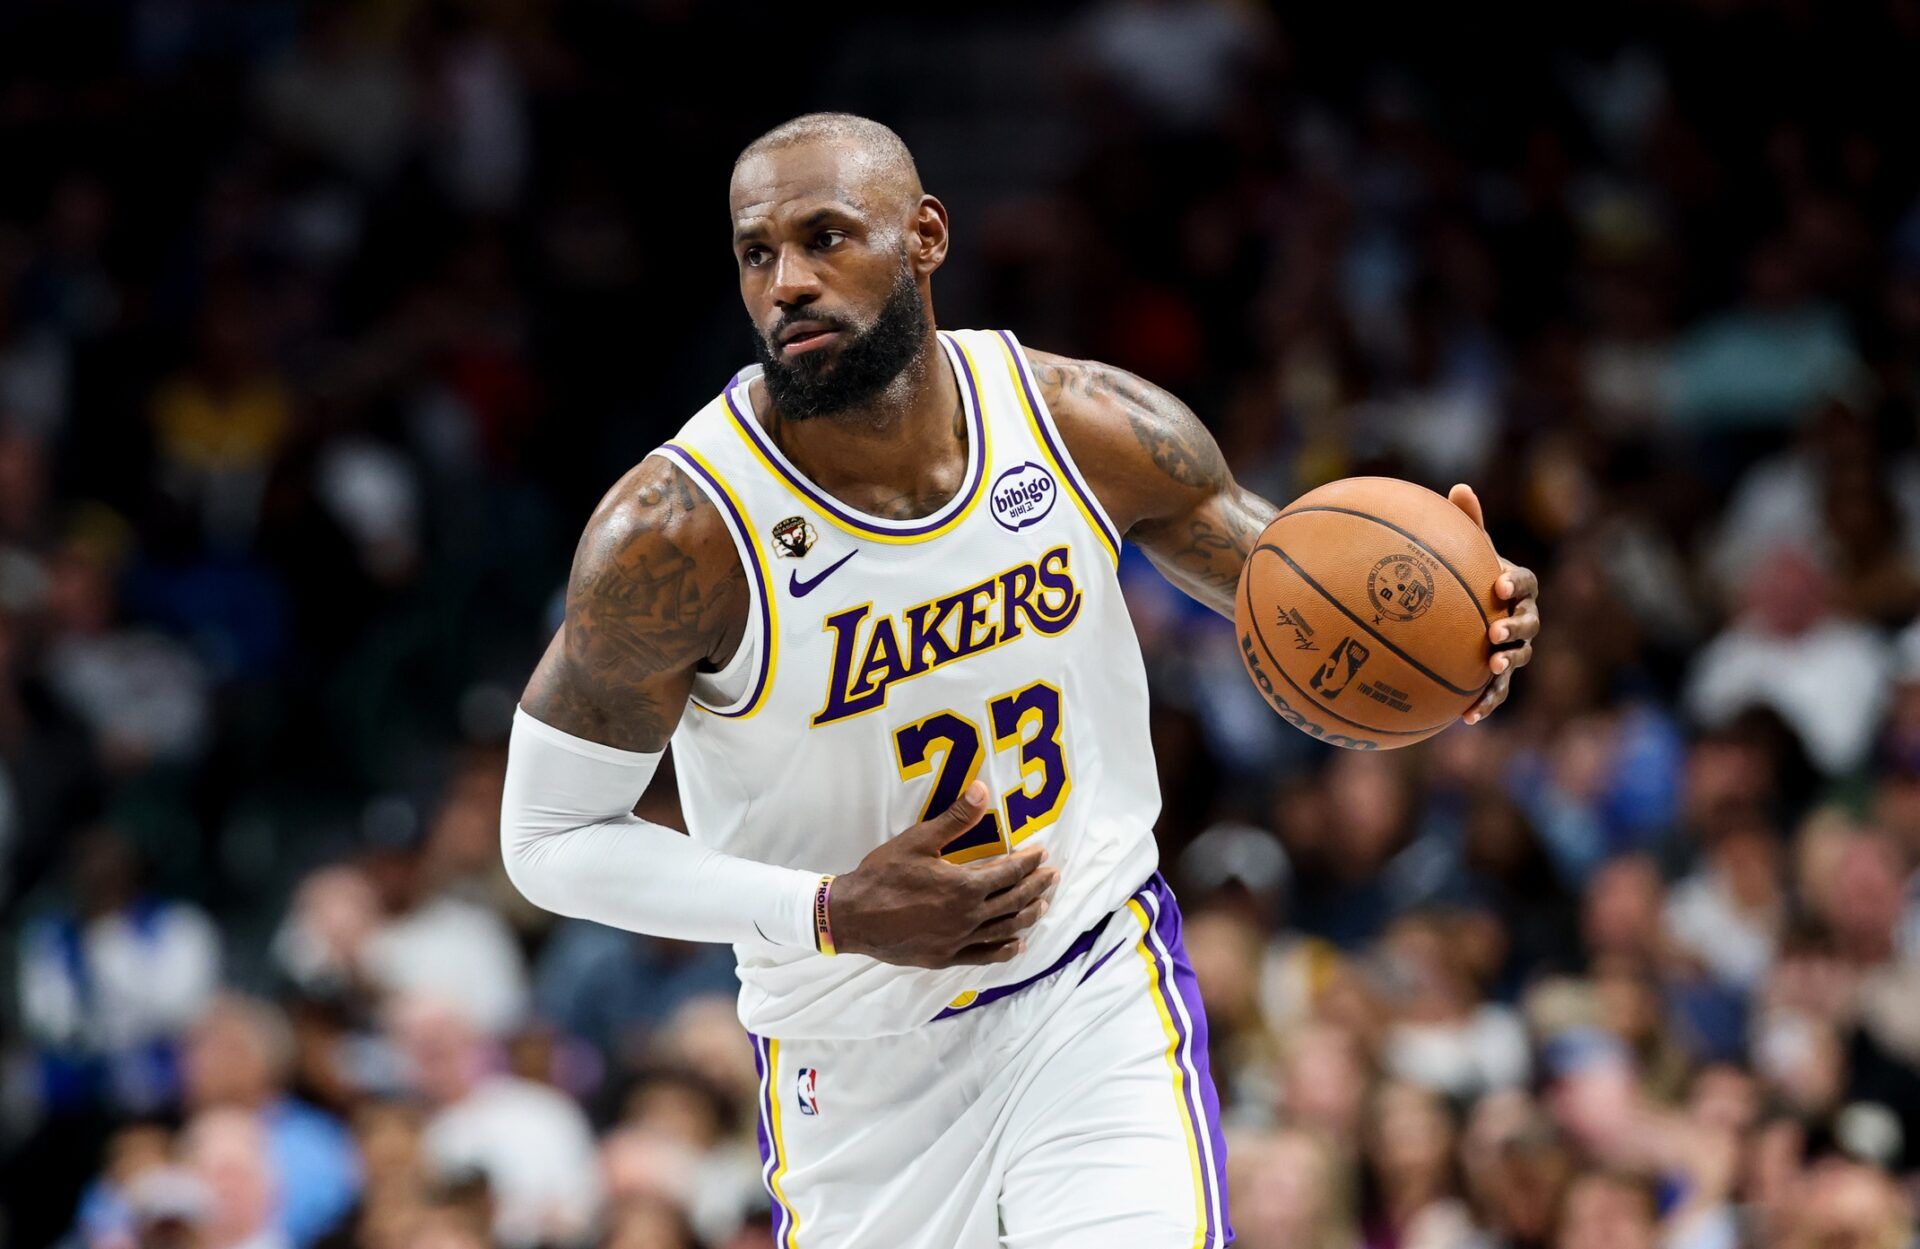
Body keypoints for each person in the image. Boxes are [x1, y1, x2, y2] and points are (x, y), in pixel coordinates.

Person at [499, 112, 1542, 1248]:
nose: (789, 282)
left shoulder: (1083, 424)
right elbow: (548, 839)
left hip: (1088, 988)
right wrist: (828, 911)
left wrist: (1457, 636)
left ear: (926, 236)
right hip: (855, 1065)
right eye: (759, 254)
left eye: (827, 236)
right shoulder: (677, 534)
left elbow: (1297, 593)